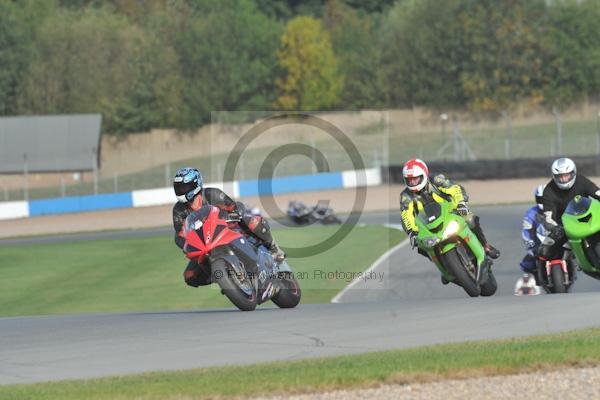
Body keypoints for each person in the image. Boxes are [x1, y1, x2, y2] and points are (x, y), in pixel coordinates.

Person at [172, 167, 285, 287]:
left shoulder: (212, 194)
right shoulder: (178, 210)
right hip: (204, 244)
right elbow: (180, 234)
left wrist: (234, 214)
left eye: (184, 187)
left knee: (253, 222)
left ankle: (274, 248)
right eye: (178, 188)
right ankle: (225, 281)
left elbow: (235, 207)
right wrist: (186, 246)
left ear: (196, 184)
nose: (181, 191)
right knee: (189, 275)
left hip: (227, 228)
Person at [399, 158, 500, 283]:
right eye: (409, 180)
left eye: (415, 179)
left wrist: (461, 203)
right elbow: (406, 215)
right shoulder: (406, 196)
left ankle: (486, 246)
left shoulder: (436, 180)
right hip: (429, 224)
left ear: (424, 175)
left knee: (470, 219)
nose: (413, 183)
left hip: (451, 211)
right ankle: (445, 264)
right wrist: (412, 232)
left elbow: (454, 189)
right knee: (421, 246)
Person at [538, 157, 600, 262]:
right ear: (554, 176)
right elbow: (548, 217)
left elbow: (596, 192)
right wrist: (555, 228)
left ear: (573, 173)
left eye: (566, 175)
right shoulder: (549, 191)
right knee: (544, 252)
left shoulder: (581, 180)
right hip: (564, 227)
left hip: (589, 219)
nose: (564, 179)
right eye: (560, 177)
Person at [519, 184, 547, 275]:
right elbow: (526, 230)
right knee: (526, 265)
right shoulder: (531, 212)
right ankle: (538, 274)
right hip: (540, 242)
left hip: (559, 239)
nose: (545, 201)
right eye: (541, 199)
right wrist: (530, 243)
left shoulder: (560, 208)